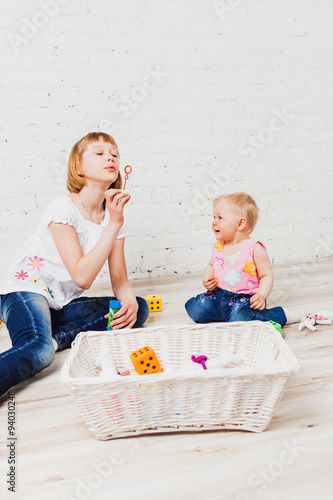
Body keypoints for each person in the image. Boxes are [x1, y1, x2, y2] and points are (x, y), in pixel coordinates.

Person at [0, 132, 149, 397]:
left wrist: (130, 303)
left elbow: (120, 281)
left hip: (59, 302)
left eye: (114, 154)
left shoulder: (114, 217)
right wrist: (113, 224)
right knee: (39, 349)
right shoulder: (63, 208)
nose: (110, 158)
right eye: (100, 153)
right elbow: (82, 277)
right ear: (79, 168)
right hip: (26, 290)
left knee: (137, 308)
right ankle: (45, 337)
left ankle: (57, 336)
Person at [185, 192, 299, 326]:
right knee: (195, 309)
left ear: (240, 223)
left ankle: (279, 314)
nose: (214, 222)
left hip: (244, 300)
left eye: (220, 218)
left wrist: (261, 295)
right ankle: (227, 315)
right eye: (214, 217)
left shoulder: (255, 249)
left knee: (240, 317)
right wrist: (207, 279)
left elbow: (266, 275)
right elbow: (211, 264)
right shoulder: (218, 246)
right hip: (218, 296)